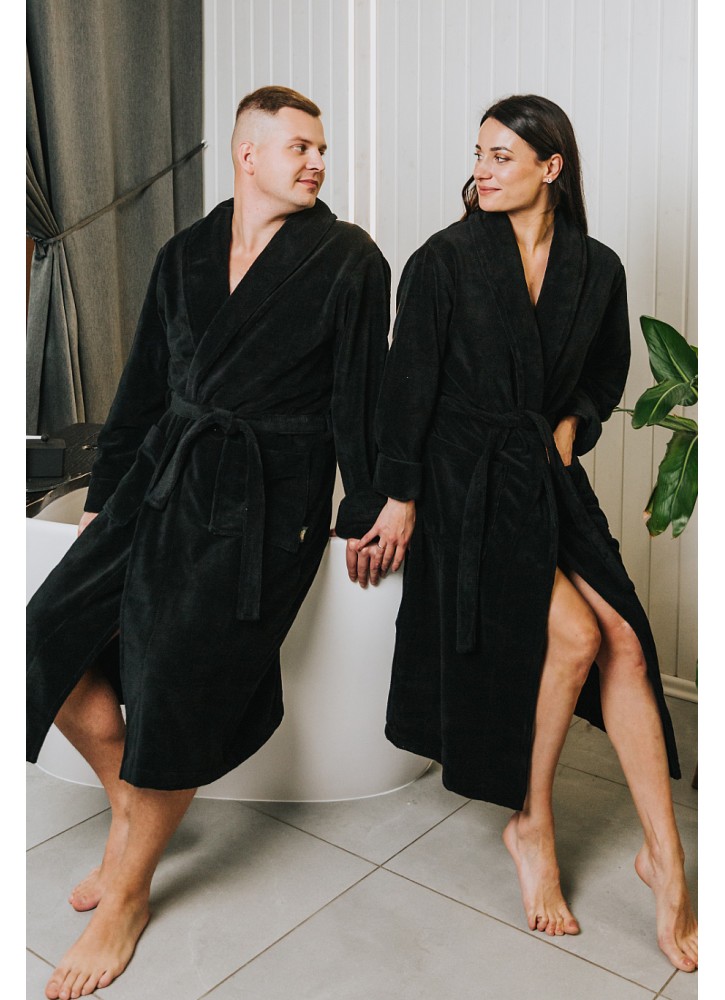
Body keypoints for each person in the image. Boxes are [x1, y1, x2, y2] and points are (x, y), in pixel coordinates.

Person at [27, 85, 391, 999]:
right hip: (160, 475)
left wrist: (369, 506)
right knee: (38, 636)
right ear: (247, 153)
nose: (316, 160)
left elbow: (361, 397)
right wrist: (106, 496)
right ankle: (132, 803)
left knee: (178, 679)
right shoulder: (185, 253)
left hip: (264, 501)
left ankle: (128, 893)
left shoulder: (348, 258)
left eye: (321, 147)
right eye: (299, 146)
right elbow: (142, 387)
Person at [349, 94, 697, 972]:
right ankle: (530, 823)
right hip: (463, 480)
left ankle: (664, 860)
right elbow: (406, 384)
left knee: (625, 639)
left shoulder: (597, 268)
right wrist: (397, 497)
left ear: (551, 167)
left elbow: (604, 374)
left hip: (545, 474)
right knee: (576, 636)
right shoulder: (443, 259)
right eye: (478, 153)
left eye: (501, 156)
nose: (482, 169)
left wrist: (573, 426)